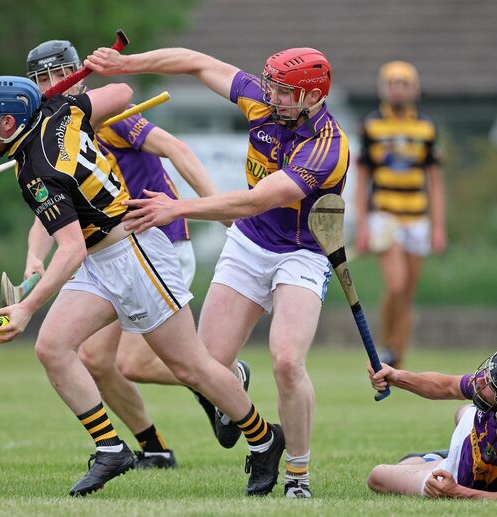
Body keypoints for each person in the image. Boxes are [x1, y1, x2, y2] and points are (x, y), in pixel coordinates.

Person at [0, 75, 284, 497]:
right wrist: (74, 109)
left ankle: (264, 439)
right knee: (53, 347)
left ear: (9, 123)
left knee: (190, 366)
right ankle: (111, 448)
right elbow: (122, 92)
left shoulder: (37, 171)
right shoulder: (61, 111)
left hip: (134, 255)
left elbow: (70, 250)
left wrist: (27, 309)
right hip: (104, 258)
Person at [85, 45, 350, 498]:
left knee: (287, 361)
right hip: (250, 245)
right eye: (271, 86)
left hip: (302, 253)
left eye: (284, 92)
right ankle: (239, 391)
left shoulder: (327, 147)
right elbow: (197, 62)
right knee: (202, 366)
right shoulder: (261, 102)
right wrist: (127, 65)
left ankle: (298, 476)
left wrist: (179, 207)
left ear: (311, 97)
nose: (271, 97)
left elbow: (257, 200)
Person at [22, 39, 237, 469]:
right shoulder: (46, 131)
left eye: (56, 74)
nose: (51, 85)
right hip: (112, 254)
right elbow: (50, 207)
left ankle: (224, 380)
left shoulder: (108, 119)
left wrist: (218, 208)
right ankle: (154, 446)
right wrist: (34, 257)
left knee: (134, 363)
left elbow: (178, 149)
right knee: (96, 360)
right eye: (41, 78)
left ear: (76, 73)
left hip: (158, 242)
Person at [366, 347, 497, 500]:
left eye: (490, 383)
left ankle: (438, 460)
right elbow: (448, 386)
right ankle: (443, 457)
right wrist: (396, 377)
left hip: (464, 476)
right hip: (480, 440)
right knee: (463, 411)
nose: (480, 380)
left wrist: (455, 491)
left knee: (378, 476)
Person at [354, 60, 447, 369]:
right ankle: (385, 344)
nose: (398, 89)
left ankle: (398, 360)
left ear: (414, 88)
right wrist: (362, 225)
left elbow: (434, 180)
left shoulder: (425, 126)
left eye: (404, 83)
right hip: (384, 215)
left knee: (407, 292)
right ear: (384, 88)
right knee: (396, 284)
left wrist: (438, 227)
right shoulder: (371, 125)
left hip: (417, 217)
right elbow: (362, 177)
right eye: (392, 83)